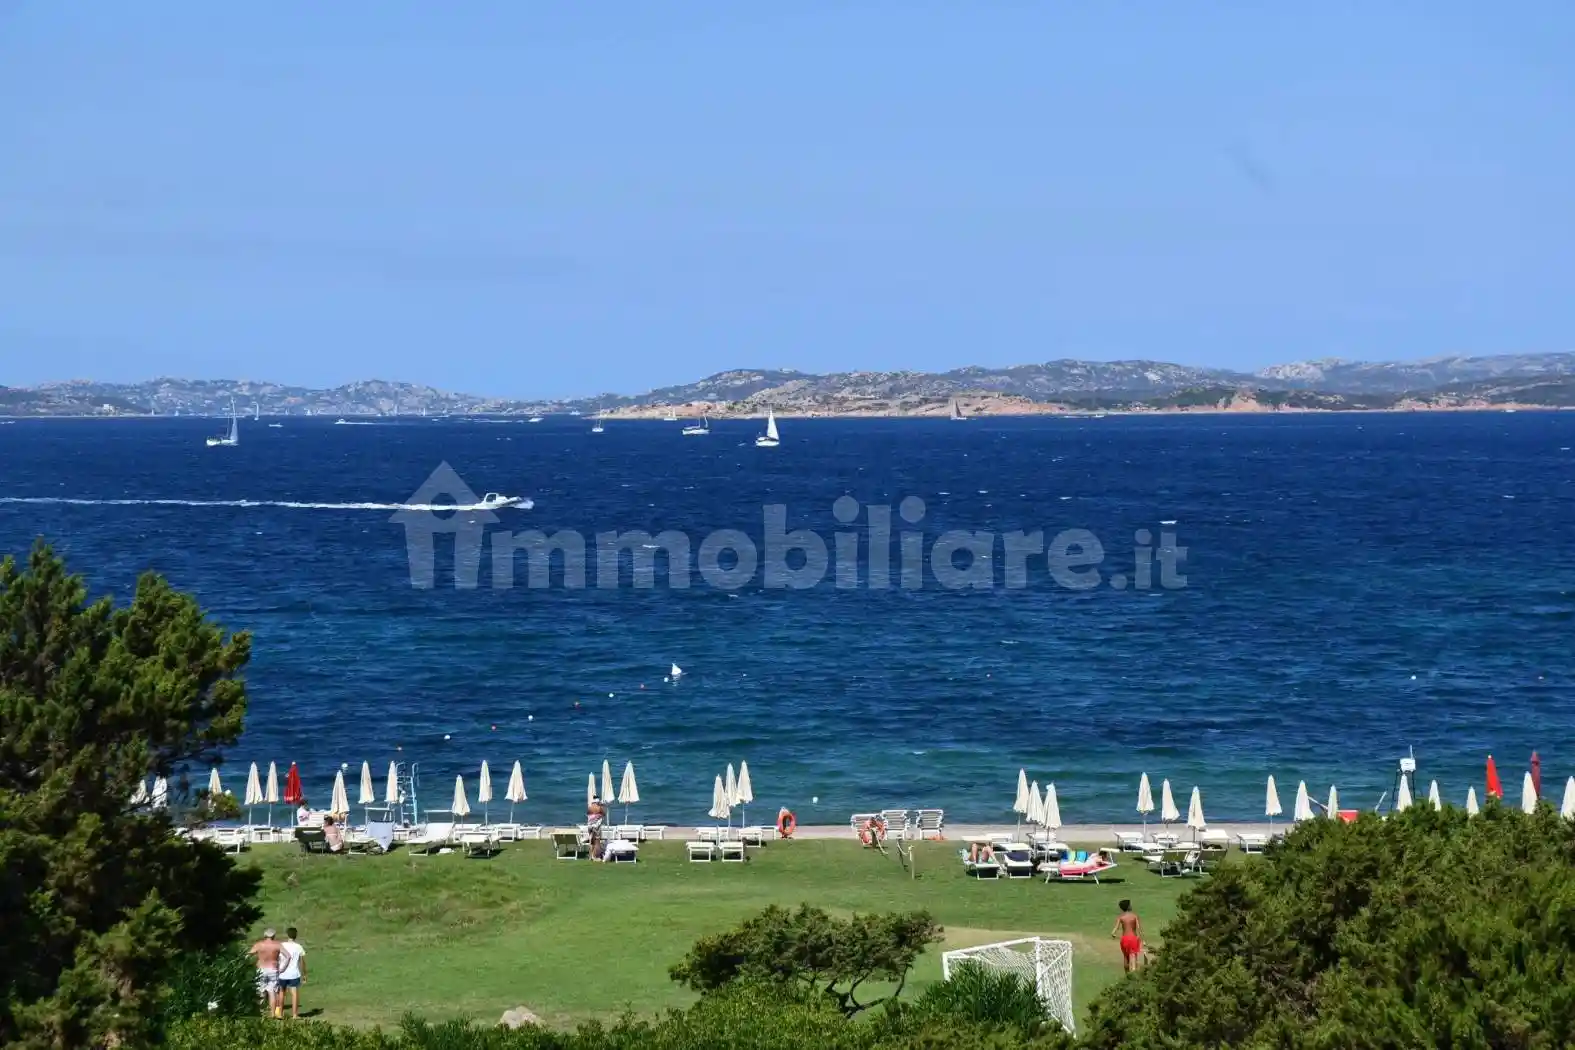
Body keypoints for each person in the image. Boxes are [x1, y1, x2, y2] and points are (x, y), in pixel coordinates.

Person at [247, 927, 291, 1018]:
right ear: (274, 936)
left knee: (260, 992)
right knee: (272, 992)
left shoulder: (259, 945)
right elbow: (288, 956)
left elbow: (248, 955)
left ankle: (259, 1012)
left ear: (265, 935)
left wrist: (246, 965)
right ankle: (272, 1014)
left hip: (261, 970)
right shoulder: (277, 945)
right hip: (273, 970)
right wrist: (283, 968)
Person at [277, 926, 306, 1019]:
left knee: (282, 992)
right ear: (296, 935)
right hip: (294, 973)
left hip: (282, 973)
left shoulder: (282, 945)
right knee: (294, 993)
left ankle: (280, 1013)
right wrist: (304, 974)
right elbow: (302, 962)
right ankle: (295, 1014)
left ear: (287, 935)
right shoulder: (298, 947)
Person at [1112, 899, 1142, 972]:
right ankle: (1133, 975)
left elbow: (1115, 929)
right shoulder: (1134, 916)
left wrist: (1113, 934)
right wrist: (1141, 939)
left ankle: (1127, 976)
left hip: (1124, 939)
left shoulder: (1121, 917)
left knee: (1126, 957)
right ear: (1128, 907)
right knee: (1133, 957)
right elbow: (1138, 929)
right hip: (1132, 939)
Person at [586, 796, 606, 860]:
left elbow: (588, 814)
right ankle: (595, 856)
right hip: (596, 826)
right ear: (598, 801)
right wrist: (601, 807)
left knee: (591, 841)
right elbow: (604, 814)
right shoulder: (599, 808)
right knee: (597, 841)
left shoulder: (590, 807)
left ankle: (590, 855)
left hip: (589, 826)